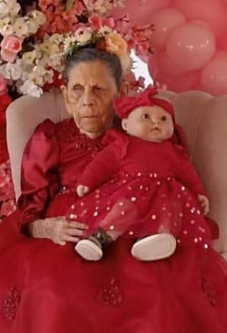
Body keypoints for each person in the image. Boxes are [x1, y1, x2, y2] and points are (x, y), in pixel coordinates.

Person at [0, 46, 227, 333]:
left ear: (118, 93)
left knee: (158, 285)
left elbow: (177, 177)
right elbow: (29, 203)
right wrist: (43, 227)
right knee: (52, 288)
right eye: (76, 90)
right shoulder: (50, 137)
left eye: (98, 90)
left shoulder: (144, 132)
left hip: (138, 232)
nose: (86, 101)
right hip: (68, 232)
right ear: (66, 94)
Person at [70, 88, 215, 263]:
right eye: (145, 117)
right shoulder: (124, 144)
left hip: (164, 193)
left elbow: (188, 173)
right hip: (130, 191)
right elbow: (102, 164)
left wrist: (199, 192)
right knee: (123, 209)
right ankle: (100, 237)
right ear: (125, 125)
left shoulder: (172, 151)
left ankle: (156, 238)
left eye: (163, 119)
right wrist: (87, 181)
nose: (156, 122)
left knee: (170, 208)